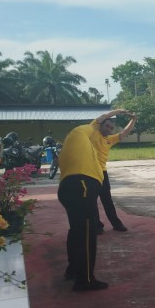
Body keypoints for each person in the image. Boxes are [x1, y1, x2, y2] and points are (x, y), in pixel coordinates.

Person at [57, 120, 106, 291]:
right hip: (82, 186)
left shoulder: (82, 148)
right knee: (87, 235)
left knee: (77, 231)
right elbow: (97, 122)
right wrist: (113, 114)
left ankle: (73, 270)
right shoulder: (79, 133)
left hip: (74, 188)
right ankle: (85, 280)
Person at [92, 110, 137, 233]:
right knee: (92, 201)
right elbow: (104, 116)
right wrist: (120, 111)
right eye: (107, 126)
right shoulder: (93, 133)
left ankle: (116, 224)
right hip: (90, 173)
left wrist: (133, 120)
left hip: (103, 173)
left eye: (111, 128)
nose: (109, 129)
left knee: (107, 200)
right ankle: (97, 226)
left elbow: (124, 132)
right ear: (101, 125)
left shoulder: (110, 139)